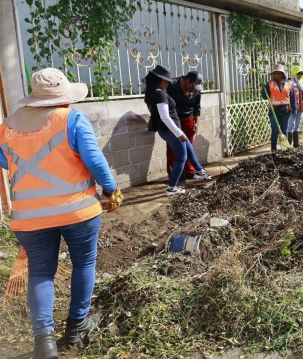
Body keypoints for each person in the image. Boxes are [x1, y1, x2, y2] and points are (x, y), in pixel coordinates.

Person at [0, 68, 124, 359]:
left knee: (41, 272)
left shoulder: (7, 127)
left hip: (29, 218)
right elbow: (94, 159)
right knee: (84, 264)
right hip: (77, 211)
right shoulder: (72, 119)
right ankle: (76, 327)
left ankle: (44, 342)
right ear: (64, 96)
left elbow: (6, 163)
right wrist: (111, 188)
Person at [144, 65, 212, 196]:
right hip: (171, 131)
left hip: (173, 129)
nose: (169, 82)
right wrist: (179, 133)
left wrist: (180, 131)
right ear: (161, 80)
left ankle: (199, 170)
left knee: (188, 149)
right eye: (167, 80)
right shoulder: (160, 94)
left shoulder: (159, 93)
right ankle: (172, 187)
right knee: (181, 157)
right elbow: (164, 117)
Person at [165, 71, 203, 181]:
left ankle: (189, 171)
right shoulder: (172, 86)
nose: (194, 88)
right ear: (187, 80)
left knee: (188, 148)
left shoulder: (196, 91)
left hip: (189, 120)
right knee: (173, 147)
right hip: (174, 121)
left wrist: (196, 122)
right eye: (193, 85)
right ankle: (173, 174)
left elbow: (197, 107)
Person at [261, 63, 297, 152]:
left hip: (286, 111)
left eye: (278, 73)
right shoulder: (269, 84)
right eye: (275, 73)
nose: (277, 75)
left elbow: (292, 97)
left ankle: (285, 150)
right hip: (274, 111)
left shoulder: (289, 84)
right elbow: (265, 97)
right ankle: (273, 149)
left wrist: (295, 109)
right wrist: (263, 89)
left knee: (284, 131)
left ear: (282, 74)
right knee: (275, 131)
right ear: (273, 75)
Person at [286, 66, 303, 148]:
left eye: (301, 73)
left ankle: (296, 143)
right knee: (291, 124)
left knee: (297, 124)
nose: (300, 75)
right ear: (294, 74)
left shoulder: (300, 83)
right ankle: (288, 145)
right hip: (293, 107)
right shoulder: (290, 83)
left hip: (300, 106)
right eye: (298, 73)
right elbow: (288, 95)